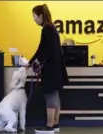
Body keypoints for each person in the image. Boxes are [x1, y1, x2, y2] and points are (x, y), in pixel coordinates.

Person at [28, 4, 69, 133]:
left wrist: (38, 62)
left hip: (51, 69)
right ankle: (55, 124)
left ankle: (49, 125)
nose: (34, 19)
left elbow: (45, 49)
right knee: (55, 95)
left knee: (50, 95)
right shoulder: (51, 28)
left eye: (34, 16)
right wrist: (31, 62)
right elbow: (41, 48)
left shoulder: (47, 28)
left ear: (41, 15)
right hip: (56, 68)